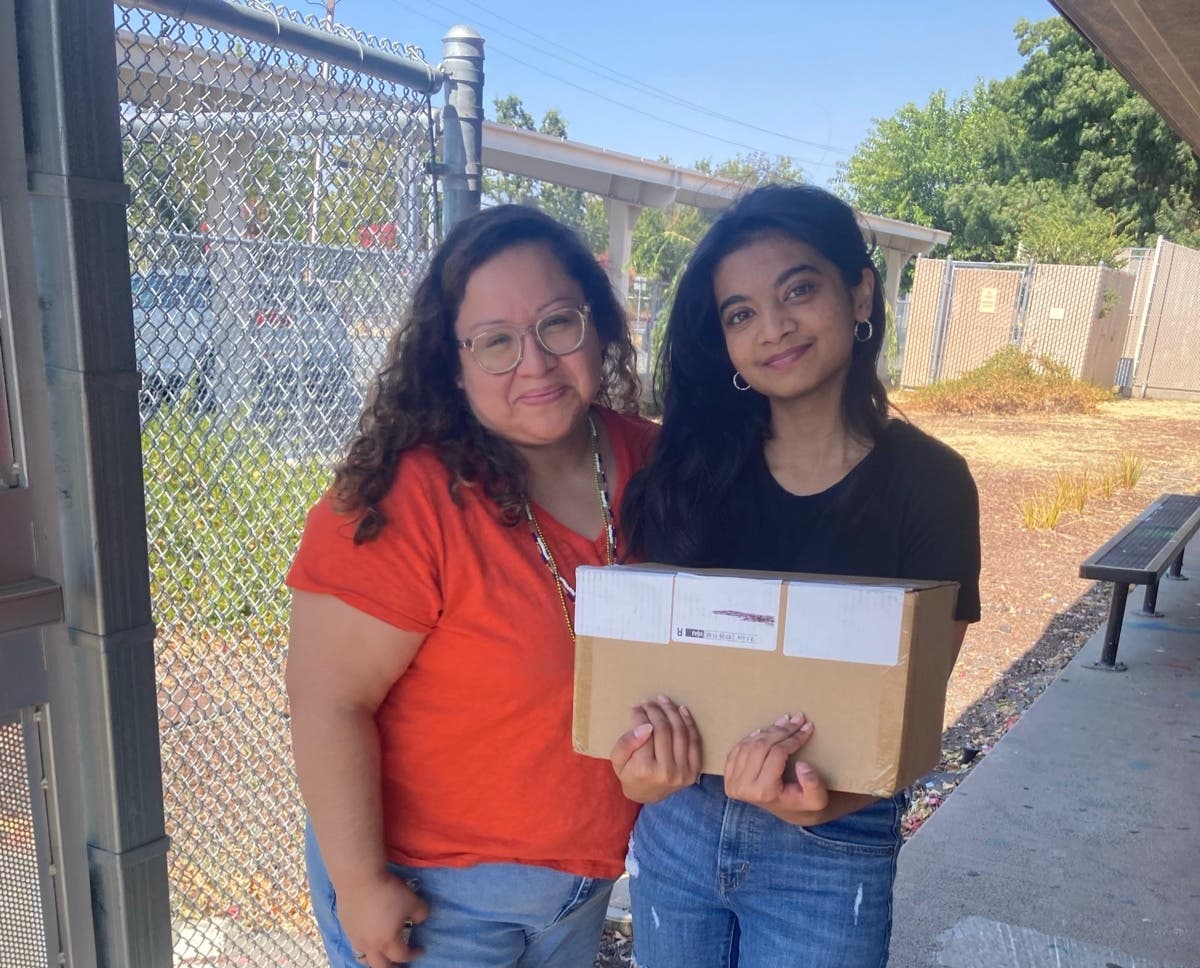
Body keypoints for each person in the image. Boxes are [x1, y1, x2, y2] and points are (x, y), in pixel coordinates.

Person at [611, 184, 981, 968]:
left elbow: (909, 716)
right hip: (679, 826)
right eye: (740, 313)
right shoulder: (687, 474)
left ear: (859, 292)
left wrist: (822, 806)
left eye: (798, 290)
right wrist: (643, 775)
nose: (772, 328)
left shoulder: (932, 484)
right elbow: (643, 673)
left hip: (831, 840)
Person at [285, 204, 656, 968]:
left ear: (597, 322)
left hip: (578, 893)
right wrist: (358, 884)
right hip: (430, 901)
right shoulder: (407, 496)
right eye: (496, 343)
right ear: (452, 365)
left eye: (558, 324)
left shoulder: (654, 462)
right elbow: (327, 697)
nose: (536, 363)